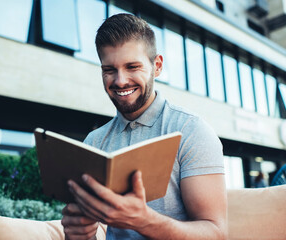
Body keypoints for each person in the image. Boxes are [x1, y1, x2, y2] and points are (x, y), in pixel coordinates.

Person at [61, 13, 227, 240]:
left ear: (156, 66)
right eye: (109, 70)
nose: (120, 81)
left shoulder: (191, 131)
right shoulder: (94, 142)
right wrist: (79, 234)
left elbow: (216, 234)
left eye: (132, 66)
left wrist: (144, 221)